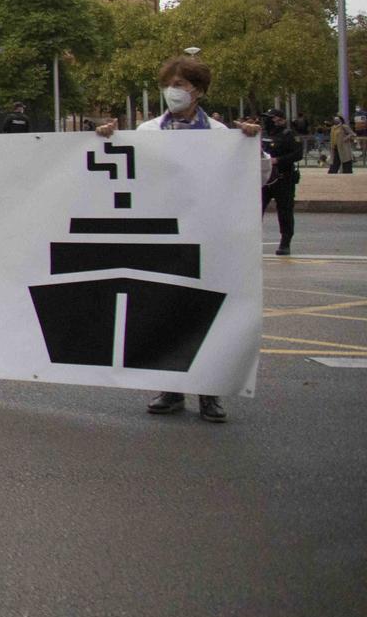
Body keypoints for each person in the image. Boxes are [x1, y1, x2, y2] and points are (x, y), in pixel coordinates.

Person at [94, 57, 261, 423]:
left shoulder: (222, 135)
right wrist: (108, 137)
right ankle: (170, 389)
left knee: (206, 313)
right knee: (165, 311)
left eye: (182, 84)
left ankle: (210, 393)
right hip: (164, 235)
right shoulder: (148, 130)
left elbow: (257, 175)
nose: (174, 91)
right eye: (170, 84)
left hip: (209, 237)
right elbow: (123, 169)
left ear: (199, 91)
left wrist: (250, 143)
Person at [259, 109, 301, 257]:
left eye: (272, 118)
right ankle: (251, 240)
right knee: (256, 211)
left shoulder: (288, 135)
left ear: (281, 120)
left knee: (285, 211)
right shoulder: (262, 134)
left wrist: (278, 160)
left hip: (283, 178)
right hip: (264, 179)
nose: (269, 121)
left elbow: (298, 154)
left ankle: (285, 242)